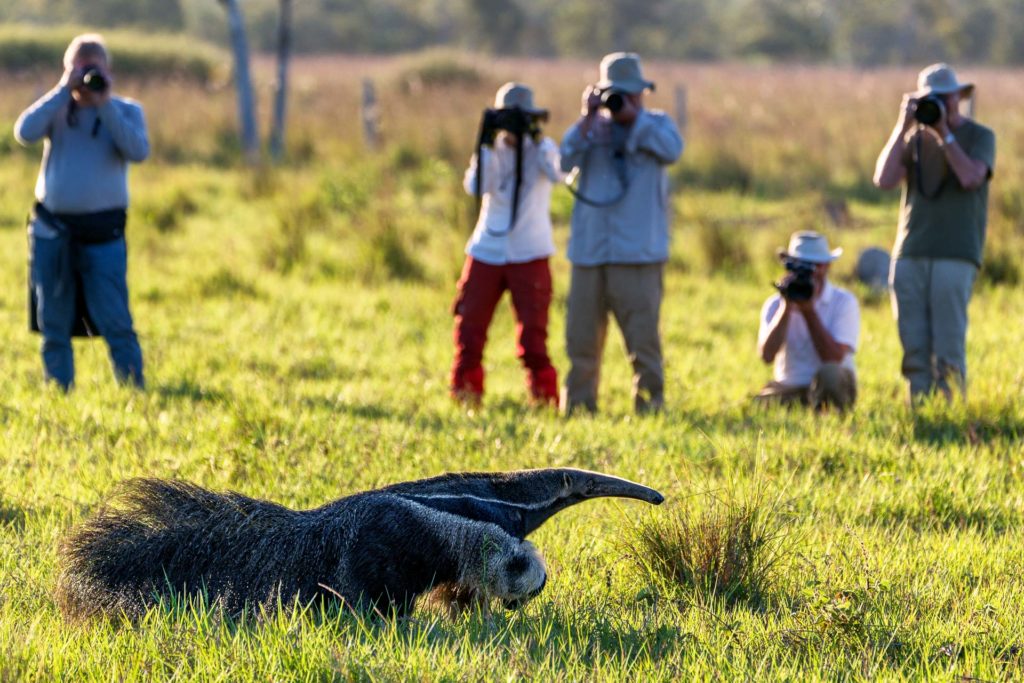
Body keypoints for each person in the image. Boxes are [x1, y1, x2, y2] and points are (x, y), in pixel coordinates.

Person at [15, 33, 149, 391]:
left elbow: (138, 151)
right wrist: (63, 90)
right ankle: (59, 391)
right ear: (67, 70)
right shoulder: (56, 110)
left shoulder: (126, 110)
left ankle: (134, 389)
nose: (88, 77)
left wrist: (104, 104)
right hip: (53, 230)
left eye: (95, 69)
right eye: (80, 69)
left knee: (115, 318)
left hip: (103, 235)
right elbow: (24, 132)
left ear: (108, 70)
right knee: (53, 320)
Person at [559, 52, 683, 415]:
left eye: (629, 95)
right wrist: (586, 120)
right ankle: (579, 408)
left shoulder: (657, 125)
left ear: (642, 94)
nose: (621, 102)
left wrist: (634, 122)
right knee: (580, 340)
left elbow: (673, 150)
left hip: (638, 255)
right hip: (589, 252)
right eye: (614, 94)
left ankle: (650, 407)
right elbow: (562, 162)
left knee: (643, 342)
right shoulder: (590, 129)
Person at [873, 63, 995, 402]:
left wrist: (944, 134)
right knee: (913, 343)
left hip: (956, 253)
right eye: (931, 99)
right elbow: (883, 180)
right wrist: (902, 126)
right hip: (910, 251)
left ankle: (951, 411)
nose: (940, 104)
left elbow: (971, 178)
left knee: (948, 344)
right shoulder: (912, 138)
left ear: (958, 96)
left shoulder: (979, 136)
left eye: (944, 98)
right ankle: (921, 411)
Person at [450, 83, 563, 406]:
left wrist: (536, 138)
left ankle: (543, 401)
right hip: (486, 250)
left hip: (530, 252)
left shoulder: (543, 150)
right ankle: (466, 397)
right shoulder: (491, 151)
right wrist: (486, 142)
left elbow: (558, 173)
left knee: (534, 336)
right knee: (469, 329)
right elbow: (475, 186)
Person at [756, 232, 860, 411]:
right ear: (788, 267)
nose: (809, 272)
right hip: (790, 387)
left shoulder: (844, 302)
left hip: (832, 385)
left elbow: (833, 357)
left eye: (815, 265)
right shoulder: (774, 305)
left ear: (827, 266)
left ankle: (829, 412)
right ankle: (804, 409)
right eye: (800, 265)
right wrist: (786, 307)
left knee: (830, 373)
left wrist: (808, 311)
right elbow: (766, 356)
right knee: (760, 403)